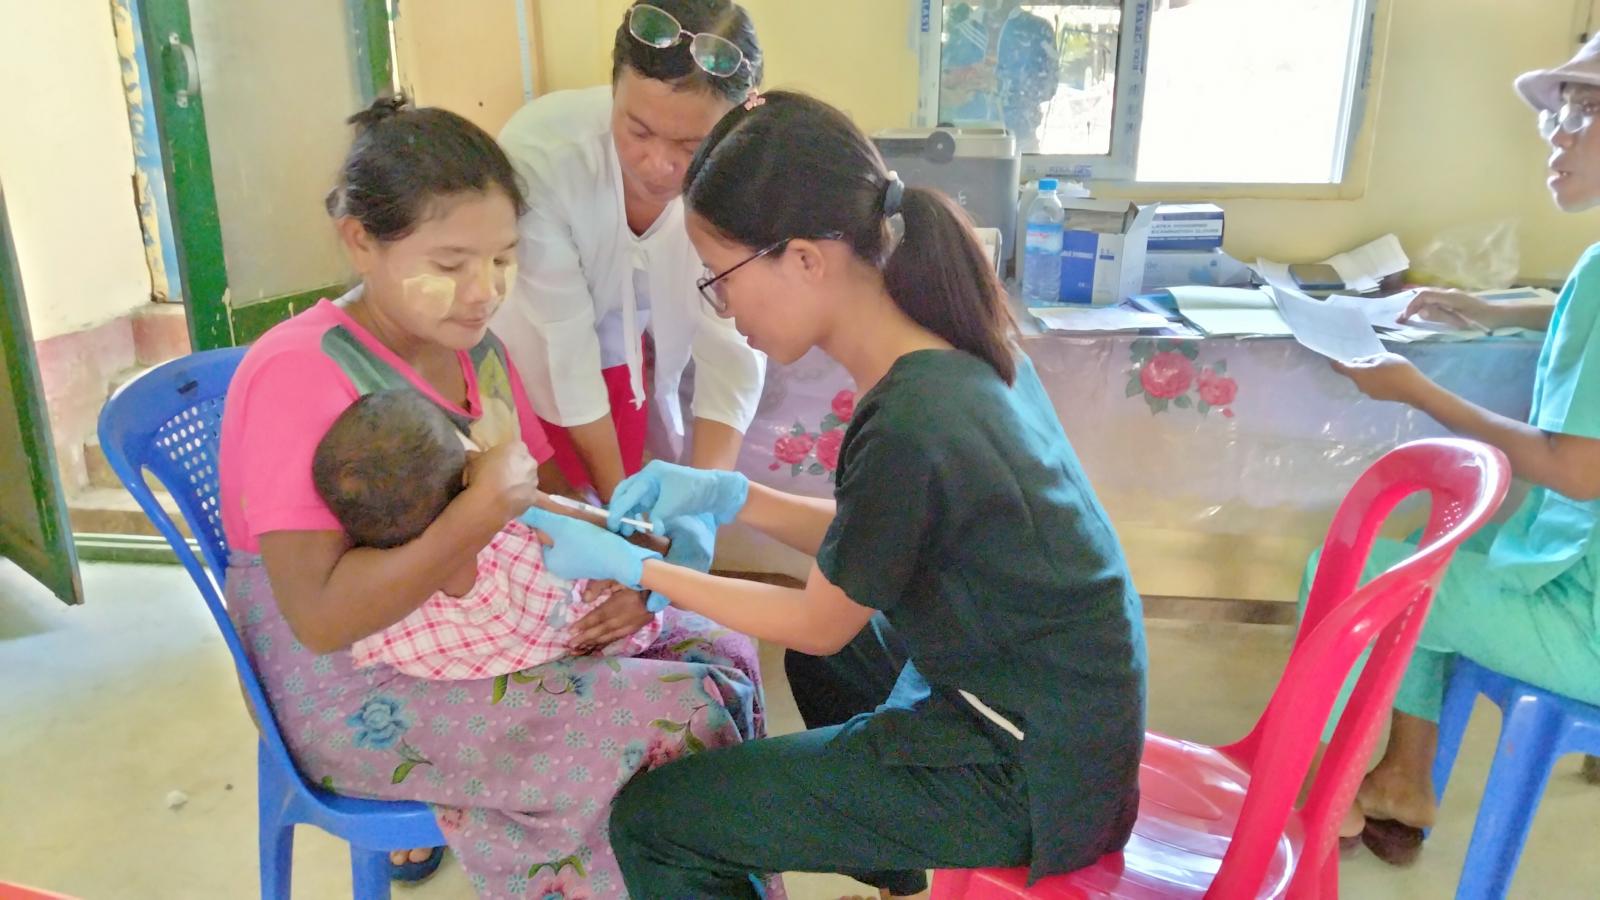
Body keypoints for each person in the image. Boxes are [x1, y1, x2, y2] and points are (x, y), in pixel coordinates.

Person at [518, 91, 1148, 899]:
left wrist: (640, 570)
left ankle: (893, 829)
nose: (723, 307)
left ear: (806, 260)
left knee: (656, 821)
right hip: (1057, 711)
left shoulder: (913, 418)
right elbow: (876, 537)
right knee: (835, 661)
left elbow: (819, 620)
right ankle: (895, 873)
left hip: (1030, 771)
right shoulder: (953, 348)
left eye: (720, 278)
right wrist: (731, 496)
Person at [217, 96, 766, 897]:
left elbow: (548, 499)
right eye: (450, 266)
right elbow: (321, 619)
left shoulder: (476, 352)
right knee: (674, 717)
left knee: (721, 649)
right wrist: (477, 515)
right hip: (353, 683)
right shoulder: (300, 374)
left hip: (486, 621)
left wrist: (627, 573)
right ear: (360, 240)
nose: (484, 292)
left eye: (504, 260)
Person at [1308, 36, 1600, 866]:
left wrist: (1416, 392)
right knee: (1435, 553)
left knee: (1349, 574)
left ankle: (1325, 798)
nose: (1558, 135)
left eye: (1586, 113)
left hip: (1587, 629)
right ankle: (1403, 779)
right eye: (1561, 113)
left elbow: (1578, 471)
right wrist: (1497, 310)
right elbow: (1580, 312)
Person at [493, 0, 767, 503]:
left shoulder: (747, 174)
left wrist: (702, 499)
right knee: (552, 507)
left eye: (691, 146)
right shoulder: (543, 153)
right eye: (637, 130)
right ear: (613, 87)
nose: (657, 164)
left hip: (623, 370)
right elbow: (563, 341)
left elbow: (731, 347)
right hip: (534, 363)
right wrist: (623, 512)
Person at [310, 390, 661, 680]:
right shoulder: (513, 534)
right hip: (579, 635)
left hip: (474, 658)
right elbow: (609, 533)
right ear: (468, 471)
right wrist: (515, 491)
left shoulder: (386, 605)